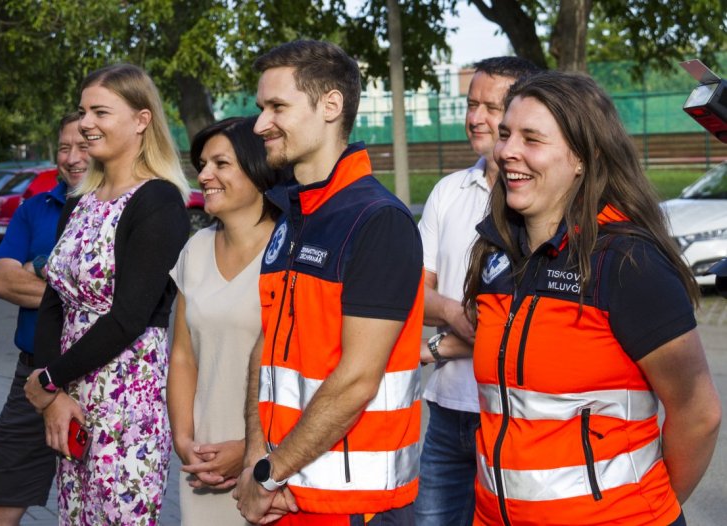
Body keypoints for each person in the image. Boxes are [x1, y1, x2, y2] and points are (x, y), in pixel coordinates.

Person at [462, 71, 721, 526]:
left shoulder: (626, 262)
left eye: (531, 138)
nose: (507, 151)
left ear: (582, 157)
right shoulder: (496, 253)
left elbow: (698, 414)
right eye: (505, 135)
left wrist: (648, 511)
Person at [233, 40, 424, 525]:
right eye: (261, 108)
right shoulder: (295, 212)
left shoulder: (377, 220)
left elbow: (358, 379)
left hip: (349, 503)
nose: (260, 124)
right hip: (286, 490)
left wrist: (269, 473)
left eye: (277, 107)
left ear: (330, 106)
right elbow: (268, 346)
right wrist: (260, 461)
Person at [24, 63, 190, 525]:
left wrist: (48, 381)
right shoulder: (80, 200)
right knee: (74, 515)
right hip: (70, 391)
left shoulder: (159, 200)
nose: (86, 123)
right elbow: (54, 297)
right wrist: (50, 388)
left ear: (141, 120)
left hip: (125, 397)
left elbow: (129, 317)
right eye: (83, 112)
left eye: (100, 111)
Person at [415, 57, 539, 526]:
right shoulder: (448, 191)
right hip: (448, 411)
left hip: (513, 413)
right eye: (471, 104)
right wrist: (451, 310)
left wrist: (436, 346)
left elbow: (527, 327)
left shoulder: (541, 202)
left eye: (491, 106)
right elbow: (416, 297)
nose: (475, 118)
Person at [167, 116, 284, 524]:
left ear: (258, 170)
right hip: (202, 465)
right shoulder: (195, 249)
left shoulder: (290, 251)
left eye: (220, 164)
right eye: (201, 164)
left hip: (271, 467)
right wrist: (185, 441)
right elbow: (183, 357)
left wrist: (252, 450)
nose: (204, 175)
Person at [0, 112, 89, 525]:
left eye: (84, 145)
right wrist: (83, 296)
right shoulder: (33, 209)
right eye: (64, 147)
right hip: (32, 379)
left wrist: (38, 271)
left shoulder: (122, 209)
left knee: (97, 512)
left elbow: (129, 304)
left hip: (100, 381)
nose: (73, 157)